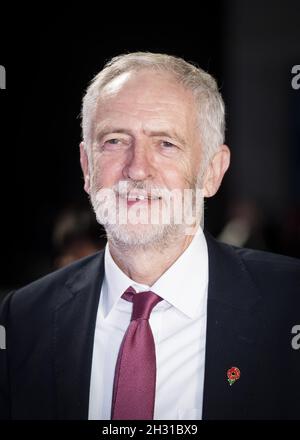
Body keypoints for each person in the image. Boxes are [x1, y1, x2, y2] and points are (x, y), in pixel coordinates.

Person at [0, 52, 299, 420]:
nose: (137, 168)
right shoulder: (23, 320)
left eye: (165, 143)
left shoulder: (290, 303)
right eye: (114, 141)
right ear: (86, 166)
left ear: (212, 171)